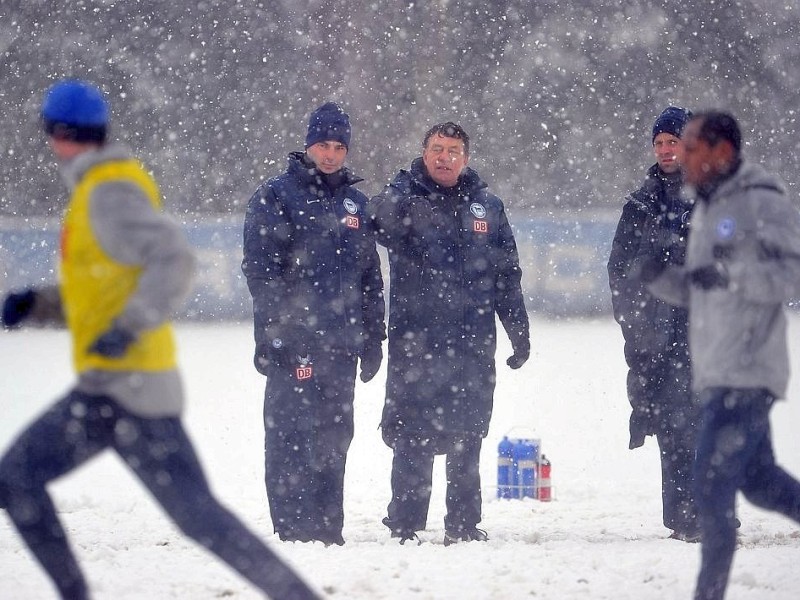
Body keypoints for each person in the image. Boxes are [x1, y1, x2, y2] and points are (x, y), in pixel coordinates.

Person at [0, 80, 319, 600]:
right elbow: (101, 290)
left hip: (128, 392)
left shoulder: (107, 191)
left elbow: (175, 260)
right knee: (198, 518)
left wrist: (127, 329)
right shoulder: (95, 191)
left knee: (21, 480)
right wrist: (37, 304)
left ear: (60, 134)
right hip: (114, 389)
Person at [646, 111, 800, 600]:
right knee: (759, 483)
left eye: (691, 147)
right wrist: (659, 278)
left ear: (722, 153)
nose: (682, 157)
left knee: (710, 491)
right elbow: (703, 290)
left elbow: (793, 276)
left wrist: (734, 274)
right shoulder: (707, 207)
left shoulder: (762, 202)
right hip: (716, 369)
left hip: (748, 372)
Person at [369, 122, 530, 546]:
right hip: (416, 342)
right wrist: (403, 191)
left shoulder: (488, 208)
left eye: (453, 150)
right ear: (424, 154)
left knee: (467, 433)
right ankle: (405, 522)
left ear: (466, 158)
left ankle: (463, 523)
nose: (444, 157)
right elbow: (376, 222)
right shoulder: (404, 199)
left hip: (471, 343)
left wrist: (518, 328)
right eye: (437, 149)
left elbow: (506, 274)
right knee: (411, 433)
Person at [242, 102, 385, 546]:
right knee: (290, 436)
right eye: (323, 144)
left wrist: (373, 336)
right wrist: (274, 334)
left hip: (341, 346)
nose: (330, 154)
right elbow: (261, 273)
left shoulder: (355, 204)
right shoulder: (275, 196)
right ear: (308, 145)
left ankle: (328, 528)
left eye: (339, 146)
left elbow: (369, 277)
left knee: (334, 437)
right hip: (295, 343)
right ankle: (292, 529)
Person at [607, 106, 701, 542]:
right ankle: (685, 514)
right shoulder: (640, 205)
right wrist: (639, 322)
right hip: (661, 333)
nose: (665, 149)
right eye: (659, 142)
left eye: (673, 141)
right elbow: (620, 269)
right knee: (675, 424)